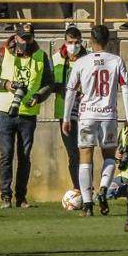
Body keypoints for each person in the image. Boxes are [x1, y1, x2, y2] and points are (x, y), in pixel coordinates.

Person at [62, 24, 128, 217]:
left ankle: (87, 204)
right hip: (108, 115)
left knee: (85, 158)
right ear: (108, 41)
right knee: (109, 156)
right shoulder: (116, 61)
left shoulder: (81, 62)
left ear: (90, 41)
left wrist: (66, 117)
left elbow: (70, 90)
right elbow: (125, 89)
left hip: (87, 115)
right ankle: (103, 188)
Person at [0, 23, 55, 209]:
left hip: (28, 113)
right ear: (16, 37)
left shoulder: (41, 55)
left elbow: (49, 83)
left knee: (24, 155)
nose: (25, 41)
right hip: (4, 110)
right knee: (6, 153)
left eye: (29, 38)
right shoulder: (3, 52)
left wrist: (38, 97)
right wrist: (6, 84)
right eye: (22, 38)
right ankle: (5, 196)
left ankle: (21, 197)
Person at [50, 26, 88, 193]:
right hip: (64, 112)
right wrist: (59, 88)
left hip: (85, 111)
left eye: (77, 42)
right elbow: (48, 82)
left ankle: (87, 188)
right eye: (71, 42)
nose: (74, 45)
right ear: (65, 42)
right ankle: (78, 188)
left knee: (85, 152)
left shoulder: (88, 58)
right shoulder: (55, 59)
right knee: (73, 153)